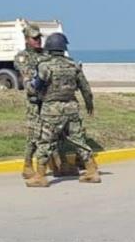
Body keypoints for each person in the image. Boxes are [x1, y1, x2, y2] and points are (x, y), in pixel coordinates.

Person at [25, 32, 100, 187]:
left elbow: (35, 87)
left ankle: (40, 176)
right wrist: (89, 104)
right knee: (78, 140)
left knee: (45, 141)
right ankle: (92, 171)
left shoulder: (45, 66)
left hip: (51, 109)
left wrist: (28, 85)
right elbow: (85, 88)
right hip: (71, 108)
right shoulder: (73, 65)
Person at [13, 24, 44, 180]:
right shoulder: (22, 57)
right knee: (34, 133)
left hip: (48, 100)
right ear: (26, 39)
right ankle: (27, 164)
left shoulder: (46, 54)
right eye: (35, 38)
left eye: (39, 38)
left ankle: (59, 163)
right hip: (34, 101)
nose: (38, 40)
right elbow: (28, 77)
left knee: (57, 132)